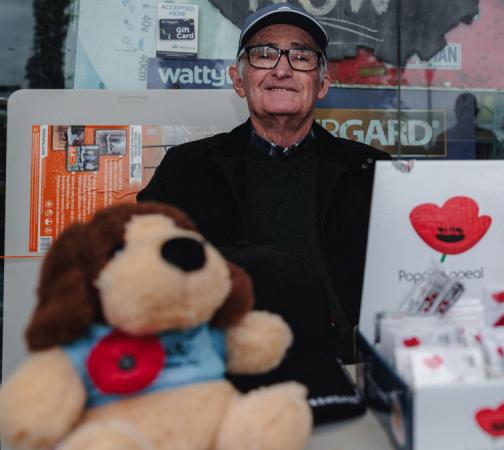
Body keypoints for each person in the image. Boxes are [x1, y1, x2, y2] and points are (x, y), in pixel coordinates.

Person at [137, 3, 390, 370]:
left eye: (301, 56)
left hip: (347, 371)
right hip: (222, 375)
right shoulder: (187, 170)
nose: (282, 69)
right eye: (264, 54)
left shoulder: (371, 171)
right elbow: (141, 269)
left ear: (322, 84)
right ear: (239, 81)